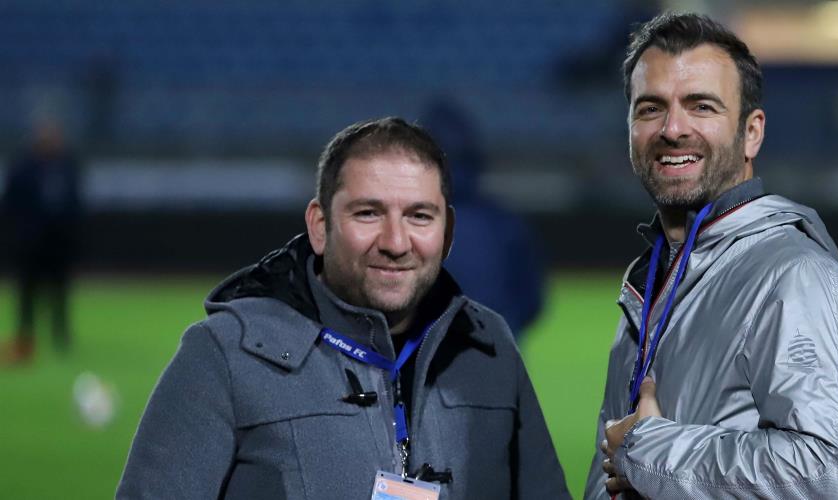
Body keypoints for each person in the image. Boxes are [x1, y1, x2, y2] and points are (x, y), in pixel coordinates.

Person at [119, 117, 571, 499]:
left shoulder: (491, 348)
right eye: (368, 213)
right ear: (320, 226)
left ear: (447, 232)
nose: (396, 243)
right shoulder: (224, 356)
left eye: (419, 216)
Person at [584, 13, 838, 499]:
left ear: (752, 132)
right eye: (651, 108)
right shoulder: (656, 275)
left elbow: (821, 472)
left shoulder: (797, 277)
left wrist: (649, 451)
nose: (673, 128)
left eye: (701, 106)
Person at [420, 98, 546, 338]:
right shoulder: (505, 224)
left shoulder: (401, 229)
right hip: (495, 350)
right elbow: (532, 303)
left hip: (426, 354)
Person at [1, 118, 83, 364]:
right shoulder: (23, 167)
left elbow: (75, 202)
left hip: (58, 242)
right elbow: (11, 203)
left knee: (60, 291)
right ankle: (25, 337)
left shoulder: (66, 166)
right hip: (31, 242)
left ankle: (60, 334)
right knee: (27, 291)